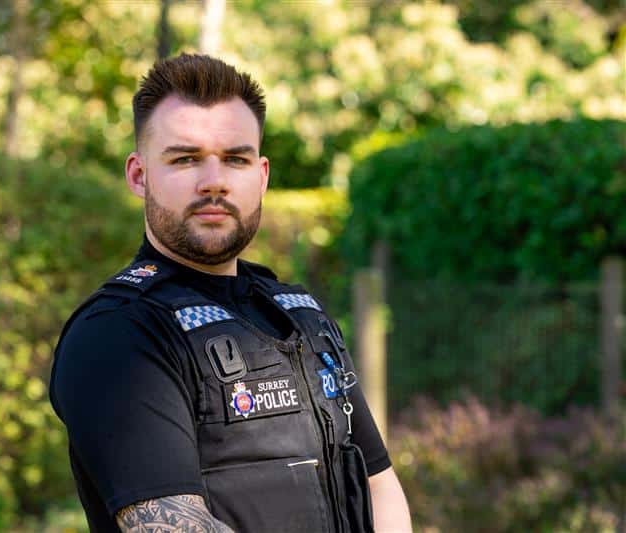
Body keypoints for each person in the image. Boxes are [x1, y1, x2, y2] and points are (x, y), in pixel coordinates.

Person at [49, 53, 411, 533]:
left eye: (235, 159)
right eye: (185, 159)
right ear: (139, 176)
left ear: (260, 177)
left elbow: (377, 483)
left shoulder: (300, 314)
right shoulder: (117, 335)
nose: (214, 182)